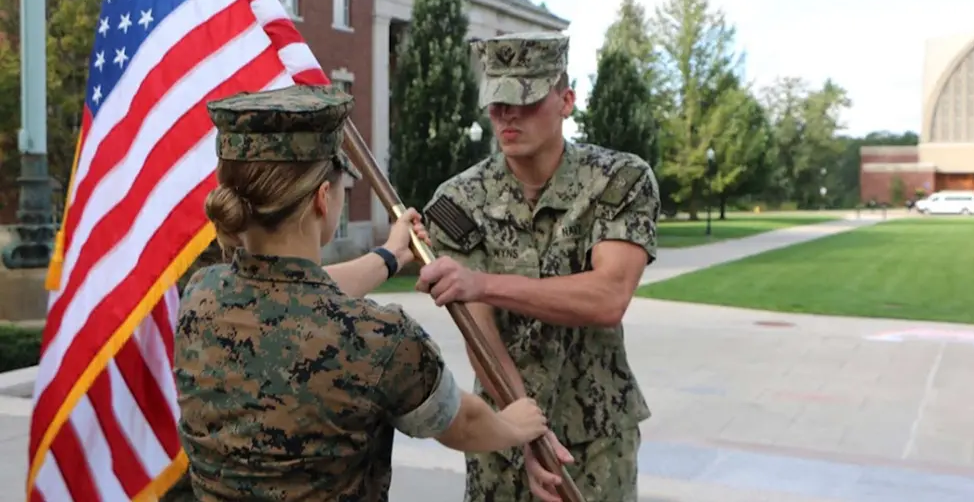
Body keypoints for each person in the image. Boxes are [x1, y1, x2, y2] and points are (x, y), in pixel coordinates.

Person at [168, 84, 551, 501]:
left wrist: (390, 254)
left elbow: (295, 291)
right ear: (323, 198)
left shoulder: (201, 296)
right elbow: (462, 423)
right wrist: (515, 425)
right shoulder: (378, 339)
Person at [416, 32, 660, 502]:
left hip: (596, 436)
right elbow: (479, 335)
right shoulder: (458, 201)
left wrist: (482, 284)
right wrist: (525, 433)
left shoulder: (619, 181)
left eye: (524, 101)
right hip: (500, 430)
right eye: (497, 102)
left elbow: (608, 297)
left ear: (566, 100)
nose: (508, 115)